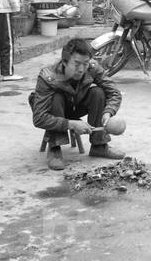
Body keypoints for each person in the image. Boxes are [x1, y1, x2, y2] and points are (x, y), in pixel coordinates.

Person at [29, 38, 124, 170]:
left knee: (98, 92)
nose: (81, 69)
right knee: (56, 98)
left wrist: (108, 112)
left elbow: (114, 92)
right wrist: (71, 124)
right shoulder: (48, 77)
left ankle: (99, 146)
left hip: (77, 105)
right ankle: (55, 148)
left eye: (85, 63)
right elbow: (39, 118)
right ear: (64, 62)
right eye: (77, 64)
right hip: (56, 109)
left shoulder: (92, 68)